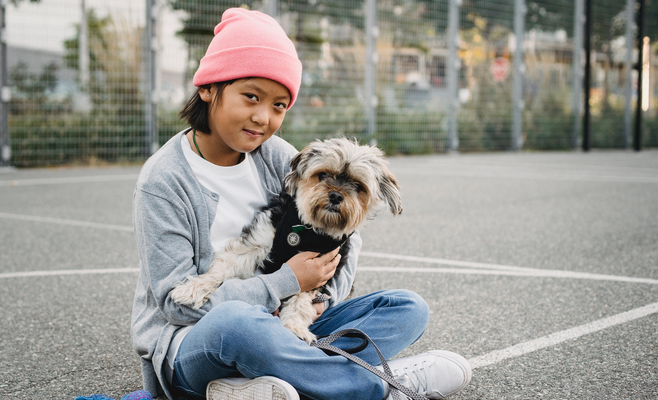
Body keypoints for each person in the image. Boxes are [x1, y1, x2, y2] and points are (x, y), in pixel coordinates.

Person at [130, 8, 472, 400]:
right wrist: (286, 282)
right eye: (251, 96)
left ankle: (266, 386)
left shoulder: (277, 155)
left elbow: (343, 240)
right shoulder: (163, 180)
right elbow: (178, 305)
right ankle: (377, 386)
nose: (263, 117)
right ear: (209, 88)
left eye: (279, 106)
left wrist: (318, 299)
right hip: (196, 344)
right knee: (239, 324)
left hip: (287, 323)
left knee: (407, 307)